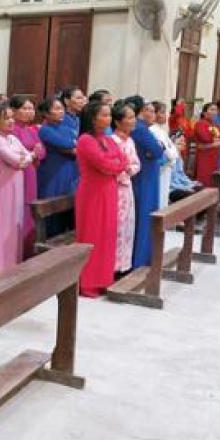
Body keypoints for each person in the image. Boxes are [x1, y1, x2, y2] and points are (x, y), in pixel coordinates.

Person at [75, 102, 126, 297]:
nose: (109, 119)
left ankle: (104, 279)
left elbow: (122, 160)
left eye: (109, 115)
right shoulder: (86, 140)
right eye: (104, 115)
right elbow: (104, 164)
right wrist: (114, 163)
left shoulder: (108, 139)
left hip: (109, 190)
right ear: (93, 118)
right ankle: (88, 283)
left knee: (107, 235)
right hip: (93, 193)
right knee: (92, 234)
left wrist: (114, 163)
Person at [0, 104, 33, 277]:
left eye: (12, 117)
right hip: (2, 183)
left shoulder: (11, 138)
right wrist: (25, 157)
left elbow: (27, 155)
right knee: (2, 223)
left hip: (16, 182)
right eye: (6, 118)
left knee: (14, 222)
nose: (11, 121)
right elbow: (17, 161)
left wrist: (27, 157)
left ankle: (11, 262)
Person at [126, 95, 164, 269]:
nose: (151, 113)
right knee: (144, 216)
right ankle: (140, 259)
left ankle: (144, 256)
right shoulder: (141, 129)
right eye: (148, 110)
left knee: (145, 215)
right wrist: (159, 149)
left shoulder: (141, 128)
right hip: (145, 177)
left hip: (146, 174)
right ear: (140, 111)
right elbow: (157, 150)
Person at [10, 94, 46, 257]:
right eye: (25, 108)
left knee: (29, 208)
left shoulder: (31, 130)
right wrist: (34, 152)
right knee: (18, 207)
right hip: (18, 173)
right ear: (14, 111)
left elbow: (42, 151)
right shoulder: (12, 131)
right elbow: (18, 153)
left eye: (31, 108)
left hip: (31, 172)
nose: (29, 112)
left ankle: (27, 247)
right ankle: (15, 248)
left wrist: (34, 153)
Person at [110, 101, 141, 275]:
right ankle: (113, 266)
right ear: (118, 121)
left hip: (127, 187)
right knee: (116, 226)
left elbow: (136, 163)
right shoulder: (111, 141)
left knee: (127, 225)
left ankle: (124, 265)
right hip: (115, 187)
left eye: (133, 117)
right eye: (129, 117)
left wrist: (131, 169)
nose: (134, 120)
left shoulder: (130, 141)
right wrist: (123, 170)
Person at [150, 101, 180, 209]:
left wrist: (174, 153)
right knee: (159, 197)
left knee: (163, 197)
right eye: (162, 112)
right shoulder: (152, 130)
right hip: (160, 168)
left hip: (166, 168)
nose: (165, 115)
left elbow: (172, 149)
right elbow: (166, 151)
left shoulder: (161, 130)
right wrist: (173, 155)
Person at [194, 102, 220, 188]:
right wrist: (215, 142)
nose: (214, 112)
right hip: (204, 156)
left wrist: (215, 142)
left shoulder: (216, 125)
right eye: (212, 109)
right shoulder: (200, 124)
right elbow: (205, 138)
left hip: (214, 156)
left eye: (216, 110)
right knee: (204, 179)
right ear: (204, 113)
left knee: (213, 179)